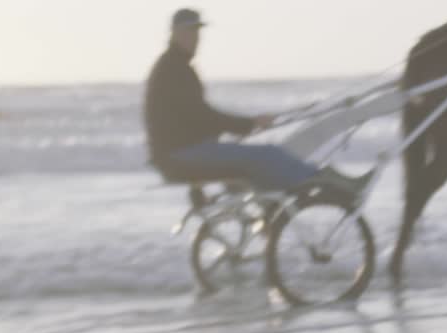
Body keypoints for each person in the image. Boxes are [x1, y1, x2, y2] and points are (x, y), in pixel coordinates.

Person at [144, 8, 366, 196]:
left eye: (197, 32)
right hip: (179, 156)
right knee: (267, 154)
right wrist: (249, 124)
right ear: (175, 33)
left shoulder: (175, 67)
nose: (195, 38)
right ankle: (323, 183)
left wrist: (245, 127)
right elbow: (201, 116)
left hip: (177, 153)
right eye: (189, 32)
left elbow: (193, 119)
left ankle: (291, 196)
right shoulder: (174, 69)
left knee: (261, 158)